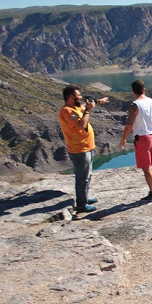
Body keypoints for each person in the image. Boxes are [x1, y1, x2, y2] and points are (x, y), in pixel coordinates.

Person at [58, 85, 108, 213]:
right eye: (78, 95)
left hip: (87, 146)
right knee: (82, 177)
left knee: (87, 175)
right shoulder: (67, 111)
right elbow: (81, 125)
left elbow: (84, 107)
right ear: (71, 97)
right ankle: (81, 204)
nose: (80, 97)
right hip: (79, 149)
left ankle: (84, 197)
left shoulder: (76, 107)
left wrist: (97, 102)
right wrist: (88, 111)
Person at [119, 79, 152, 201]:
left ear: (133, 91)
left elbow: (129, 124)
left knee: (146, 167)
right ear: (144, 90)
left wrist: (123, 139)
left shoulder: (134, 105)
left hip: (143, 138)